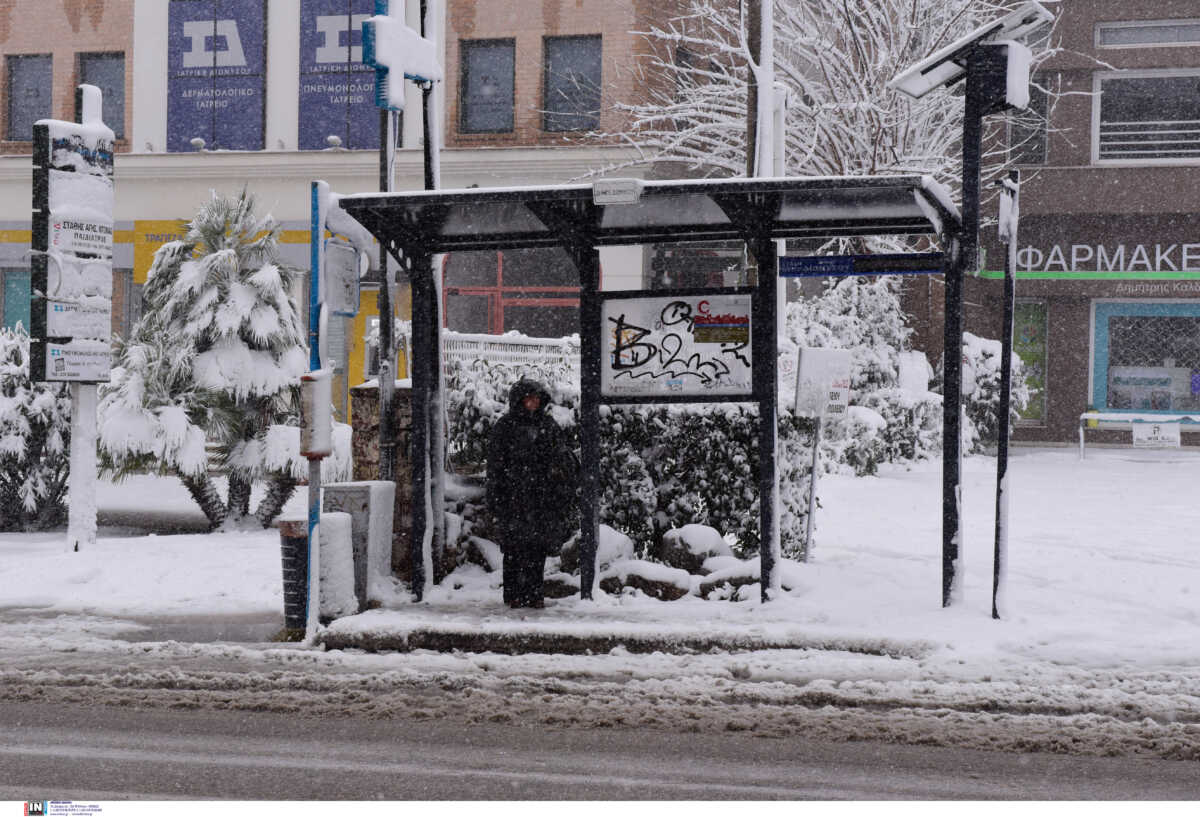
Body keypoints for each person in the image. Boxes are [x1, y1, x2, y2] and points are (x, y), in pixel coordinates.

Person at [486, 377, 577, 608]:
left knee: (537, 551)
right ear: (520, 400)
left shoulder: (548, 426)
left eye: (536, 399)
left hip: (540, 500)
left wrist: (556, 489)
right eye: (529, 398)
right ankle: (514, 595)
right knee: (514, 551)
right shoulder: (505, 427)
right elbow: (496, 466)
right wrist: (498, 498)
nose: (533, 403)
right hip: (514, 499)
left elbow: (560, 458)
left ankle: (535, 594)